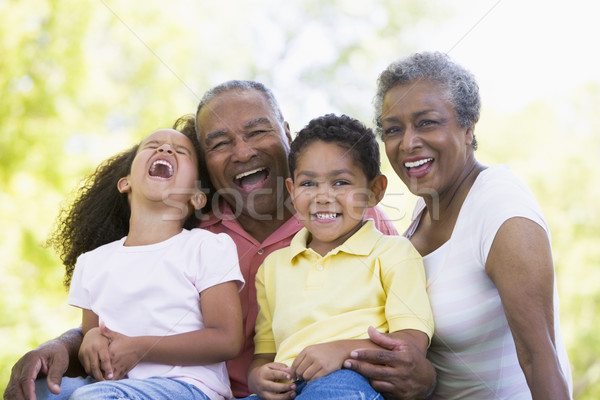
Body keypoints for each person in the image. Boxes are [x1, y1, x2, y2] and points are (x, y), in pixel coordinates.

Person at [5, 81, 398, 400]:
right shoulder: (194, 236)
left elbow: (410, 312)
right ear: (205, 166)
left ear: (287, 135)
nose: (243, 151)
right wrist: (64, 343)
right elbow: (116, 318)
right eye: (220, 143)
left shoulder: (353, 219)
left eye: (258, 131)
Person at [343, 51, 573, 399]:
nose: (407, 143)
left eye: (426, 122)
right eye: (393, 129)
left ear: (468, 127)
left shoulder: (500, 206)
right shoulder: (421, 212)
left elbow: (539, 358)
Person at [34, 128, 245, 400]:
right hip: (113, 386)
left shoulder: (206, 246)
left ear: (196, 196)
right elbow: (92, 332)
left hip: (187, 386)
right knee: (39, 390)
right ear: (125, 183)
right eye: (153, 146)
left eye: (180, 152)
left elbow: (226, 340)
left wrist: (141, 348)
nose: (166, 150)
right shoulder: (93, 262)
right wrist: (91, 340)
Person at [244, 114, 434, 400]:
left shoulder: (394, 253)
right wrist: (259, 378)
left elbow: (411, 345)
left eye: (341, 182)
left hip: (353, 379)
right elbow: (265, 355)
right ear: (291, 191)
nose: (323, 196)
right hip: (289, 386)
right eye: (309, 184)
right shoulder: (272, 267)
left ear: (374, 191)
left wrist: (342, 350)